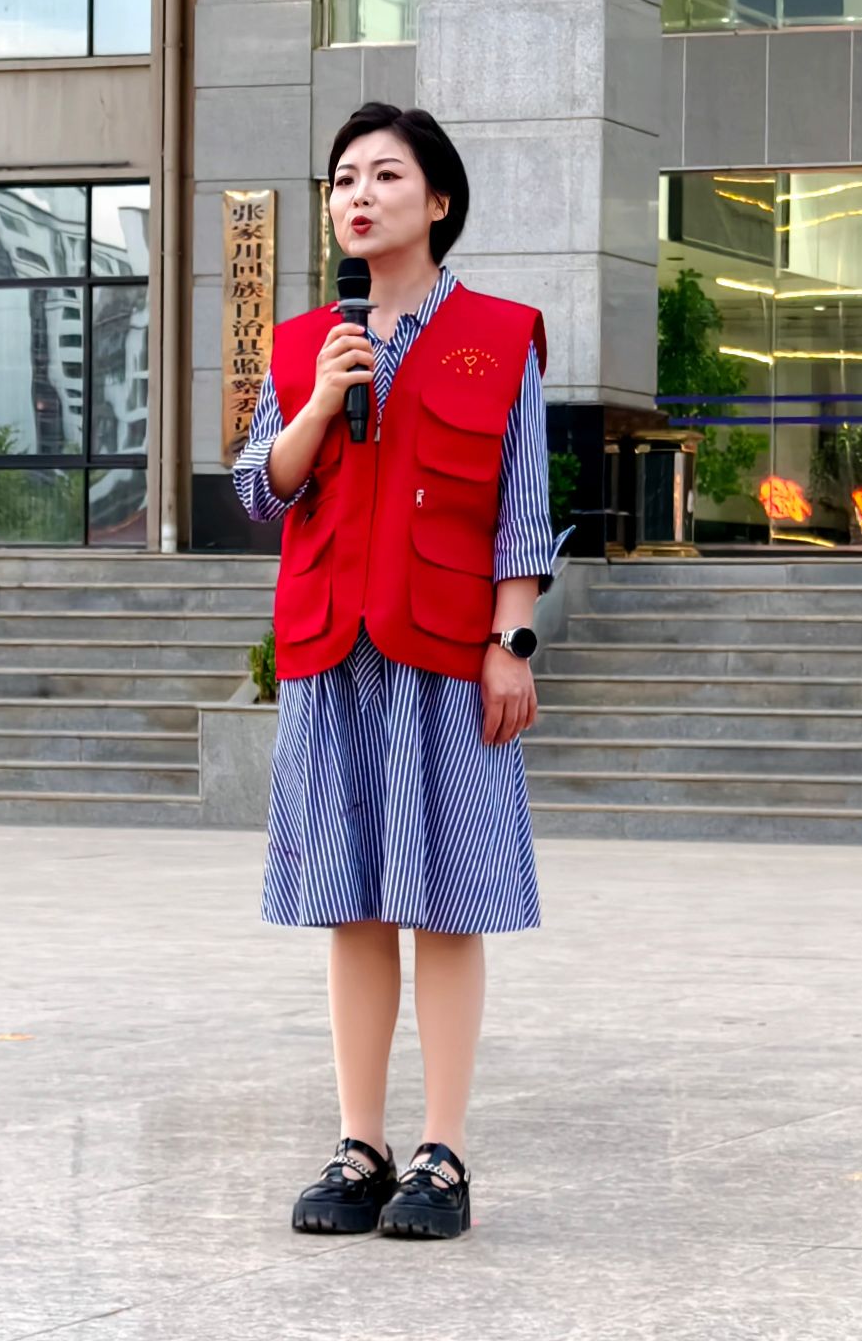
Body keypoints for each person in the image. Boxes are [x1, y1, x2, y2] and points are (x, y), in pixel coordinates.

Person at [232, 102, 560, 1241]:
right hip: (333, 653)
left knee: (447, 904)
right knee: (354, 902)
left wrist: (510, 643)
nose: (356, 196)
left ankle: (442, 1155)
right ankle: (359, 1145)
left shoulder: (501, 337)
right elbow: (258, 489)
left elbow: (522, 509)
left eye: (383, 176)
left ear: (438, 200)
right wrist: (324, 399)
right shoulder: (303, 345)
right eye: (342, 180)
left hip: (446, 654)